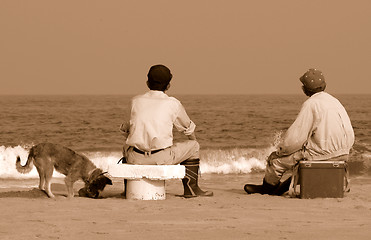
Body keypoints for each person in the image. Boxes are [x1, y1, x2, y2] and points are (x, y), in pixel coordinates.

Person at [244, 68, 355, 195]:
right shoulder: (335, 102)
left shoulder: (311, 104)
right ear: (324, 85)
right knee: (302, 159)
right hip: (344, 153)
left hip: (324, 154)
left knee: (276, 162)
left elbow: (295, 139)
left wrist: (280, 152)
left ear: (305, 89)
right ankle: (281, 188)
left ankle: (267, 189)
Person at [120, 64, 213, 198]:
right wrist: (193, 149)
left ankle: (127, 189)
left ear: (147, 83)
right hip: (161, 158)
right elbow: (187, 129)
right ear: (168, 86)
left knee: (126, 146)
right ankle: (191, 189)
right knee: (194, 146)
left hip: (136, 158)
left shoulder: (135, 101)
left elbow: (125, 130)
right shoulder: (172, 103)